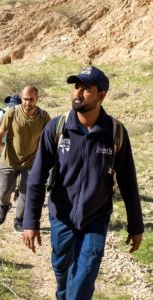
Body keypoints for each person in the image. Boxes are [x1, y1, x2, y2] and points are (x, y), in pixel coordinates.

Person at [22, 66, 144, 300]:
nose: (78, 93)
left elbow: (128, 181)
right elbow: (37, 176)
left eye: (86, 89)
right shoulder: (57, 128)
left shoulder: (115, 132)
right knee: (62, 271)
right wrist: (31, 222)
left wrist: (136, 225)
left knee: (85, 274)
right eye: (76, 87)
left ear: (101, 95)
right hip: (61, 216)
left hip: (96, 217)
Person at [0, 86, 51, 232]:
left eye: (31, 99)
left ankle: (19, 219)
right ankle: (5, 206)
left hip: (30, 162)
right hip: (9, 160)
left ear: (37, 99)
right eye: (25, 99)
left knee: (25, 193)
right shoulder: (12, 112)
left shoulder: (43, 116)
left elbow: (49, 138)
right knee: (4, 192)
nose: (28, 103)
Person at [0, 95, 22, 210]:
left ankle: (14, 194)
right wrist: (6, 147)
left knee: (12, 175)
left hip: (11, 151)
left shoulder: (21, 114)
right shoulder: (1, 115)